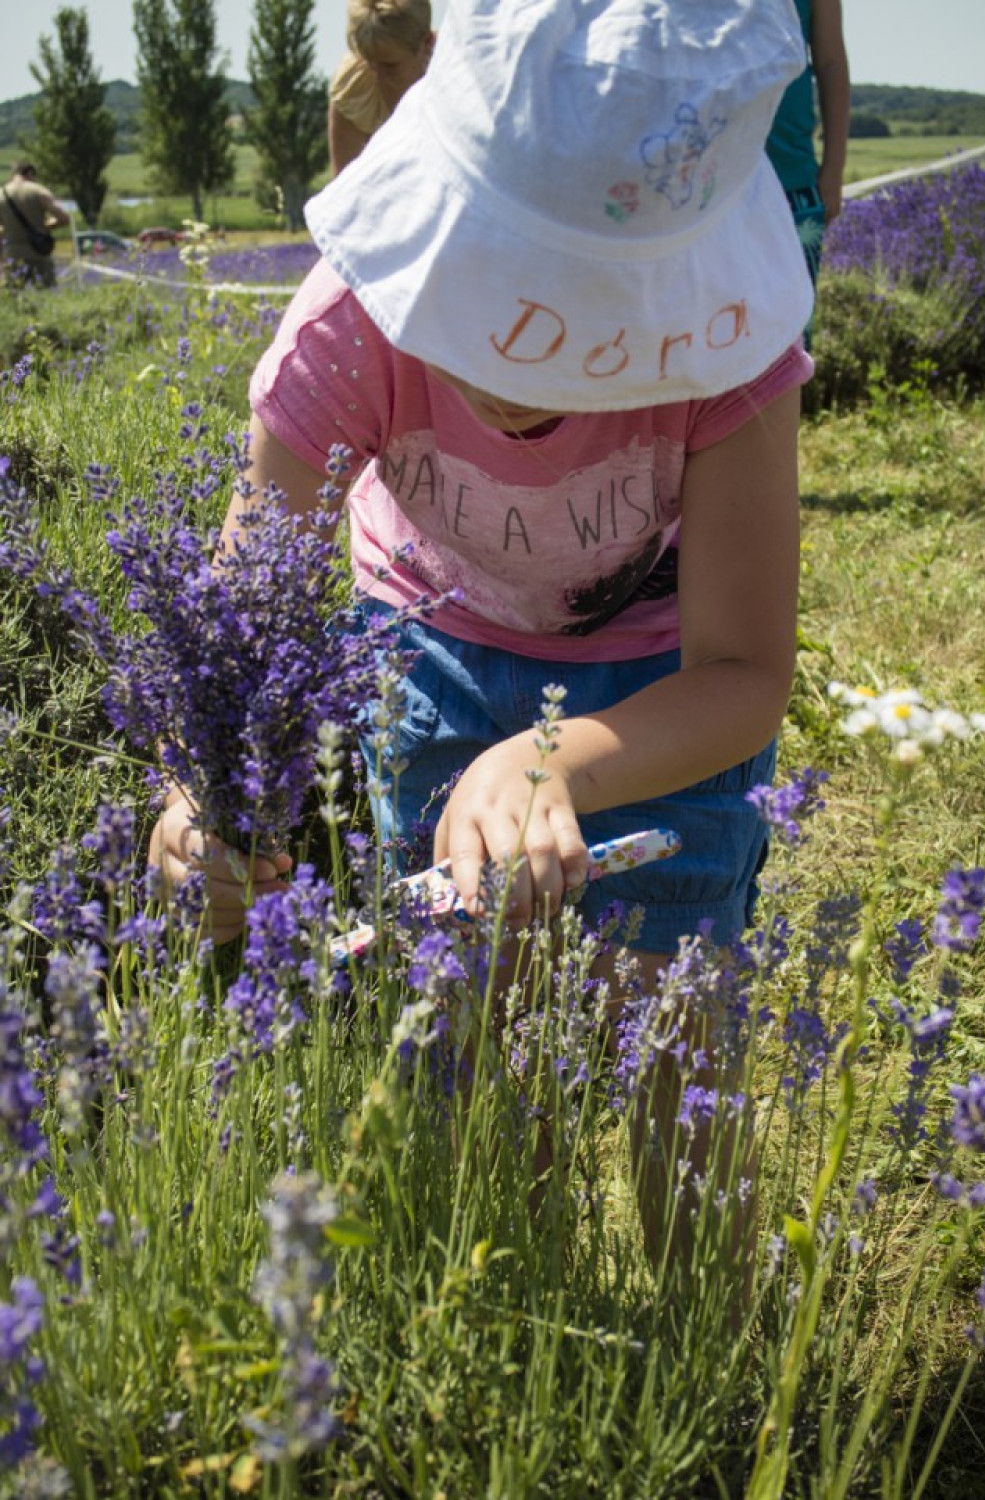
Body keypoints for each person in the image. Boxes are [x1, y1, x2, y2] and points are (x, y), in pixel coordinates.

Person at [152, 0, 814, 1267]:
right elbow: (236, 636)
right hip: (433, 647)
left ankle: (706, 1338)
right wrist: (196, 796)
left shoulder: (727, 362)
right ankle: (514, 1293)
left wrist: (551, 758)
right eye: (500, 307)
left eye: (592, 332)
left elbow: (743, 673)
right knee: (474, 1019)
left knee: (671, 1016)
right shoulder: (345, 333)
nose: (532, 363)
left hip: (664, 683)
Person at [765, 0, 850, 301]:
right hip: (707, 185)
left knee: (793, 330)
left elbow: (831, 63)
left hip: (793, 180)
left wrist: (833, 169)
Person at [327, 0, 435, 176]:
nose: (377, 74)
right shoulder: (354, 87)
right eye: (370, 61)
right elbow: (346, 185)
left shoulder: (457, 75)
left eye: (390, 66)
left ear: (427, 43)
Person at [0, 160, 70, 288]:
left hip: (12, 255)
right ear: (30, 173)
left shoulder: (1, 194)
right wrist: (45, 226)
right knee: (46, 296)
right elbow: (63, 218)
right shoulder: (38, 191)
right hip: (39, 253)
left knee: (13, 298)